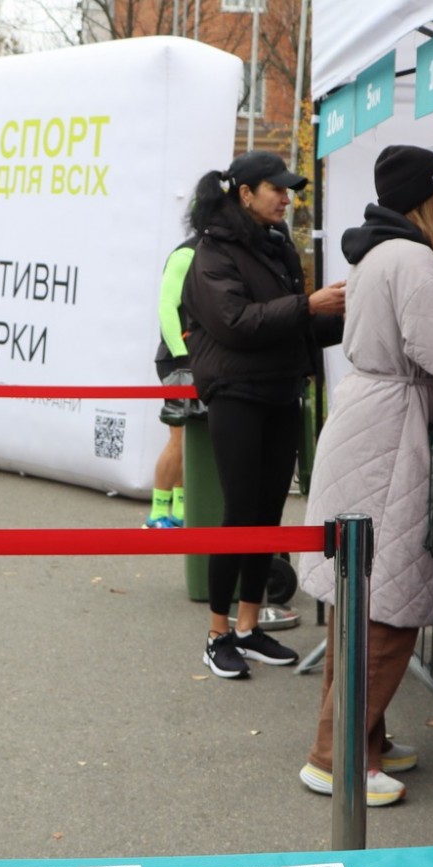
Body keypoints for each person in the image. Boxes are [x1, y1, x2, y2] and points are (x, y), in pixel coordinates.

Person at [295, 145, 433, 805]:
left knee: (359, 599)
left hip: (374, 425)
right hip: (398, 439)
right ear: (424, 196)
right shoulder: (413, 257)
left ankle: (359, 742)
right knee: (389, 610)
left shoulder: (378, 254)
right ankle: (333, 756)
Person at [182, 150, 343, 679]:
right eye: (275, 188)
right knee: (239, 513)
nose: (286, 198)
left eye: (289, 188)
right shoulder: (212, 251)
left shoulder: (275, 247)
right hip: (237, 394)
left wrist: (354, 312)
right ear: (245, 193)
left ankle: (250, 628)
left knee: (268, 516)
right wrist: (308, 306)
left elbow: (292, 325)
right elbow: (235, 322)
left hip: (280, 392)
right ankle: (217, 633)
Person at [147, 232, 200, 530]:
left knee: (190, 439)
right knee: (178, 439)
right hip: (178, 359)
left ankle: (180, 509)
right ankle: (156, 514)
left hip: (197, 359)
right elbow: (167, 307)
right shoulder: (186, 254)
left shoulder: (214, 249)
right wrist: (182, 357)